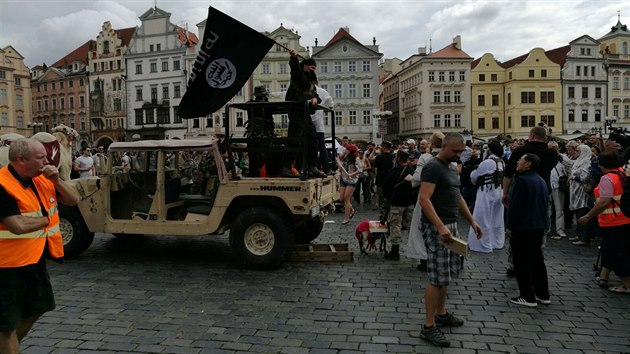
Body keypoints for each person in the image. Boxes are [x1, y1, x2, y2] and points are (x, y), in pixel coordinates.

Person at [0, 138, 80, 354]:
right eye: (41, 157)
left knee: (37, 309)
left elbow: (73, 200)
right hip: (6, 268)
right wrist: (47, 218)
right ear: (20, 160)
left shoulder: (43, 178)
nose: (48, 161)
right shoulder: (2, 185)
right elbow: (16, 225)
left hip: (35, 262)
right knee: (5, 327)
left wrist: (58, 181)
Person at [418, 133, 482, 348]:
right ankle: (428, 326)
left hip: (450, 225)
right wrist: (439, 226)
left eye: (460, 151)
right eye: (454, 151)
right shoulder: (433, 167)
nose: (458, 155)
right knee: (437, 276)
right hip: (437, 227)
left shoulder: (452, 168)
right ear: (444, 146)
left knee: (446, 273)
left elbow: (458, 196)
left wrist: (472, 221)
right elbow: (424, 199)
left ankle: (441, 313)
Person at [502, 126, 557, 276]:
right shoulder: (552, 153)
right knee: (541, 227)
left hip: (521, 191)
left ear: (531, 135)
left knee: (516, 227)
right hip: (543, 192)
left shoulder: (520, 151)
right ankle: (536, 259)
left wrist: (505, 193)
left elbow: (508, 174)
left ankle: (514, 264)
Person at [577, 151, 630, 293]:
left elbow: (604, 202)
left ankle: (627, 284)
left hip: (613, 220)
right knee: (609, 249)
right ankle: (604, 276)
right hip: (623, 218)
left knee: (617, 253)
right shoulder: (621, 173)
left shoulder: (607, 178)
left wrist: (588, 216)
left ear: (601, 165)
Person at [506, 153, 551, 307]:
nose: (518, 162)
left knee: (521, 262)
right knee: (537, 261)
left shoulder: (522, 180)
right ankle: (543, 294)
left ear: (528, 164)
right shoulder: (541, 180)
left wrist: (510, 226)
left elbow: (515, 206)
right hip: (539, 225)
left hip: (523, 227)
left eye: (521, 160)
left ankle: (527, 296)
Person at [406, 131, 444, 271]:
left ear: (431, 144)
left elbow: (417, 179)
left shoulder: (425, 158)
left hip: (426, 195)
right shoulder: (448, 157)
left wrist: (410, 178)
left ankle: (425, 258)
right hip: (443, 197)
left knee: (421, 226)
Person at [284, 49, 325, 178]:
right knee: (295, 140)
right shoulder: (299, 77)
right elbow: (295, 70)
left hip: (305, 113)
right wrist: (294, 58)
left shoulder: (310, 82)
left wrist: (315, 99)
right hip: (296, 112)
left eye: (314, 68)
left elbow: (318, 97)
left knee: (313, 139)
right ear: (306, 66)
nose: (313, 70)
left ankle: (312, 166)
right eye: (312, 67)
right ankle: (287, 166)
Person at [468, 141, 505, 253]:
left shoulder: (487, 162)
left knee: (482, 217)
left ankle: (483, 244)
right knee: (497, 218)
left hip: (486, 191)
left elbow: (474, 176)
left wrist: (473, 172)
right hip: (498, 190)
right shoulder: (502, 162)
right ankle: (496, 242)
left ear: (490, 150)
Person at [383, 150, 417, 260]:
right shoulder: (412, 171)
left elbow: (386, 188)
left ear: (398, 159)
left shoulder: (393, 172)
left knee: (395, 226)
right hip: (410, 204)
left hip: (397, 203)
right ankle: (416, 249)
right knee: (412, 227)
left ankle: (395, 251)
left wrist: (389, 199)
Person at [569, 144, 594, 246]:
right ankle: (579, 235)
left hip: (582, 191)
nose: (576, 152)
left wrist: (573, 177)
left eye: (578, 151)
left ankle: (584, 237)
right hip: (575, 190)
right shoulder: (578, 161)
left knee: (583, 213)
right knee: (577, 213)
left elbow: (584, 177)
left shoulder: (587, 162)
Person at [311, 85, 334, 174]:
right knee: (321, 147)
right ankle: (326, 169)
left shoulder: (303, 90)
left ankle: (310, 167)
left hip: (306, 124)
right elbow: (331, 105)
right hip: (318, 125)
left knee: (306, 146)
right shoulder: (323, 92)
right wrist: (324, 110)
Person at [336, 144, 361, 224]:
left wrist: (351, 174)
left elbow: (360, 170)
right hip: (344, 179)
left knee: (346, 199)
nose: (345, 150)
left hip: (352, 181)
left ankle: (346, 219)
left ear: (350, 151)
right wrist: (338, 169)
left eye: (346, 149)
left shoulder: (356, 159)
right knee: (341, 198)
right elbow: (341, 167)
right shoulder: (345, 158)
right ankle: (352, 210)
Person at [373, 140, 395, 219]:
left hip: (381, 181)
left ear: (384, 147)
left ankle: (383, 216)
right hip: (391, 181)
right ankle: (390, 215)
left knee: (382, 200)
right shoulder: (393, 157)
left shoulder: (379, 157)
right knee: (390, 199)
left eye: (381, 147)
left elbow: (375, 168)